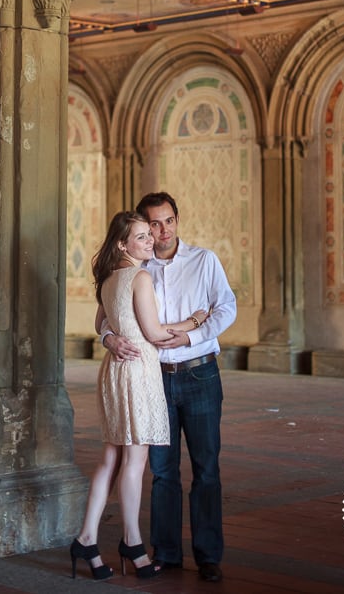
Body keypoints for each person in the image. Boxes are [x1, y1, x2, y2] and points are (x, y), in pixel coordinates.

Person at [103, 193, 237, 584]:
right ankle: (166, 553)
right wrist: (109, 338)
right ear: (141, 228)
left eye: (168, 222)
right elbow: (113, 316)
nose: (162, 232)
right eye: (153, 225)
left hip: (199, 373)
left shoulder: (204, 260)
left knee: (206, 468)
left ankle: (209, 555)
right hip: (154, 378)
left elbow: (225, 307)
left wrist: (193, 337)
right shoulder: (134, 268)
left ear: (178, 220)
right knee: (162, 472)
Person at [70, 211, 208, 581]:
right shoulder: (140, 276)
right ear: (122, 244)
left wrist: (111, 338)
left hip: (116, 370)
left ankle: (86, 539)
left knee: (111, 457)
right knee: (133, 460)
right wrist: (196, 322)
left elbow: (101, 324)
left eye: (151, 235)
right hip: (137, 373)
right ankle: (132, 542)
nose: (152, 241)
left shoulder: (110, 278)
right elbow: (153, 333)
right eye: (143, 237)